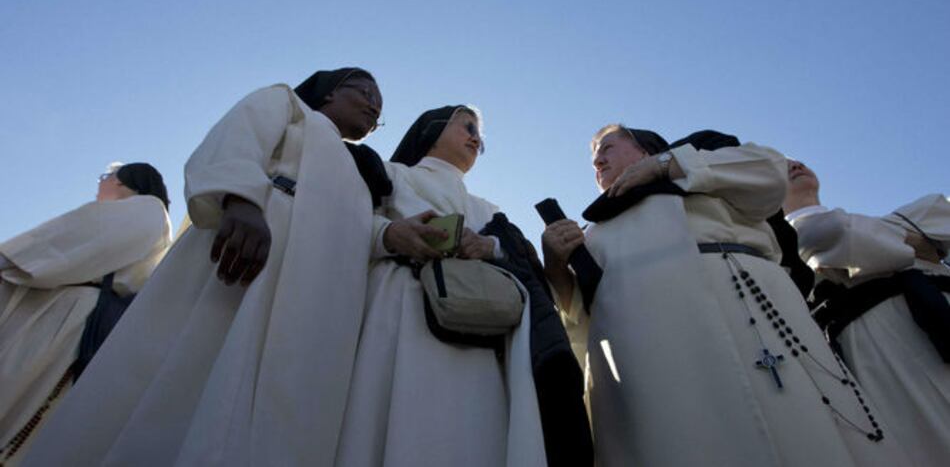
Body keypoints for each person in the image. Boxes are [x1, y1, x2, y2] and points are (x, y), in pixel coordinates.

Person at [24, 67, 390, 467]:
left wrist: (391, 235)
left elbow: (356, 226)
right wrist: (241, 201)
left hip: (312, 283)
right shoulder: (285, 105)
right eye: (366, 92)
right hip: (248, 248)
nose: (374, 106)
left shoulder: (357, 170)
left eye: (381, 107)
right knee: (191, 372)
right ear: (329, 91)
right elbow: (237, 140)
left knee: (281, 403)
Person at [541, 126, 908, 466]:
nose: (598, 161)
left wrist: (667, 164)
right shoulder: (592, 232)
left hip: (741, 307)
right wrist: (558, 270)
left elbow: (768, 169)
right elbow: (581, 319)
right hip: (649, 353)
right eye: (593, 161)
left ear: (646, 148)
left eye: (607, 148)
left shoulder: (697, 166)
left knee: (795, 425)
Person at [335, 105, 589, 467]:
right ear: (430, 129)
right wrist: (390, 234)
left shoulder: (488, 208)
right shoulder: (389, 175)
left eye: (479, 135)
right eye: (466, 126)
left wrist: (493, 247)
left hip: (483, 333)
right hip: (402, 315)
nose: (475, 137)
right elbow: (340, 221)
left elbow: (525, 267)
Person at [0, 162, 172, 465]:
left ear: (121, 182)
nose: (100, 184)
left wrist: (9, 258)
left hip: (60, 321)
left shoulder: (147, 209)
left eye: (105, 177)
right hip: (55, 312)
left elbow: (63, 244)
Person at [784, 159, 950, 466]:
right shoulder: (783, 260)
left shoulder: (911, 217)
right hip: (881, 357)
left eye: (796, 161)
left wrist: (883, 240)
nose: (793, 164)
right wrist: (911, 242)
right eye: (777, 168)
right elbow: (826, 236)